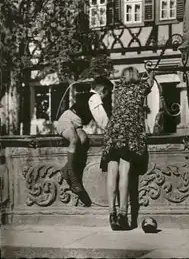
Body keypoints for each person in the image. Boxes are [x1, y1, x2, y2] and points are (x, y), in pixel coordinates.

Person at [100, 66, 154, 230]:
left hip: (113, 130)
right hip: (130, 131)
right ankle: (123, 214)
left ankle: (112, 214)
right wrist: (151, 71)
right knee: (125, 172)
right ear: (137, 77)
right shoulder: (140, 88)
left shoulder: (118, 89)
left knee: (112, 171)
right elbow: (151, 82)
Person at [56, 75, 113, 205]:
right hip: (66, 121)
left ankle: (65, 169)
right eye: (107, 93)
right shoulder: (94, 97)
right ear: (103, 90)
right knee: (74, 140)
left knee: (83, 139)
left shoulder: (90, 96)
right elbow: (101, 118)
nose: (107, 97)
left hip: (77, 124)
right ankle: (73, 177)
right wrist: (110, 130)